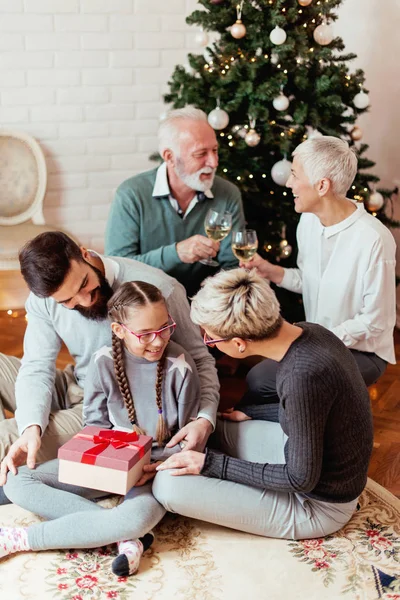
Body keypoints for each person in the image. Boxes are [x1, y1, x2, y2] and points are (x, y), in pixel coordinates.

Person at [151, 268, 374, 540]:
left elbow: (300, 479)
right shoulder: (311, 333)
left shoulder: (302, 375)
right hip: (314, 459)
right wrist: (253, 412)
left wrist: (209, 464)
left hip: (318, 505)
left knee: (166, 487)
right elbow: (316, 414)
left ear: (238, 344)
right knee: (213, 431)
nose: (208, 343)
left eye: (210, 338)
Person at [2, 281, 200, 576]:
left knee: (134, 519)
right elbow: (94, 424)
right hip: (111, 462)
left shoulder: (181, 368)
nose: (158, 341)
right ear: (119, 330)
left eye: (164, 328)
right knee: (17, 481)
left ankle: (21, 540)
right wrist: (100, 463)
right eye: (145, 334)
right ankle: (125, 540)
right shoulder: (102, 362)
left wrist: (154, 465)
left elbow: (187, 439)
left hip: (156, 470)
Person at [0, 232, 218, 499]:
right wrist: (31, 427)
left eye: (84, 285)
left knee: (4, 439)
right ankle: (22, 468)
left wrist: (205, 419)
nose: (84, 301)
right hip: (74, 383)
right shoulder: (44, 299)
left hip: (106, 412)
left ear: (85, 253)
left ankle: (19, 476)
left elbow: (200, 359)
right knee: (23, 427)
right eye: (67, 301)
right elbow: (36, 367)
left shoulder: (158, 288)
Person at [240, 136, 396, 403]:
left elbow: (375, 322)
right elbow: (311, 281)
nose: (289, 183)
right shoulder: (308, 222)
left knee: (270, 382)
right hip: (318, 343)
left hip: (363, 353)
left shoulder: (374, 239)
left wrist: (309, 340)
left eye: (294, 175)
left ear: (322, 185)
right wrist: (272, 271)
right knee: (257, 379)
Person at [104, 106, 246, 297]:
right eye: (200, 154)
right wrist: (176, 253)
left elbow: (232, 265)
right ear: (169, 157)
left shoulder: (227, 193)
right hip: (148, 305)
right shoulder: (131, 194)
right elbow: (118, 268)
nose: (213, 162)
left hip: (209, 306)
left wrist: (206, 304)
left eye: (214, 150)